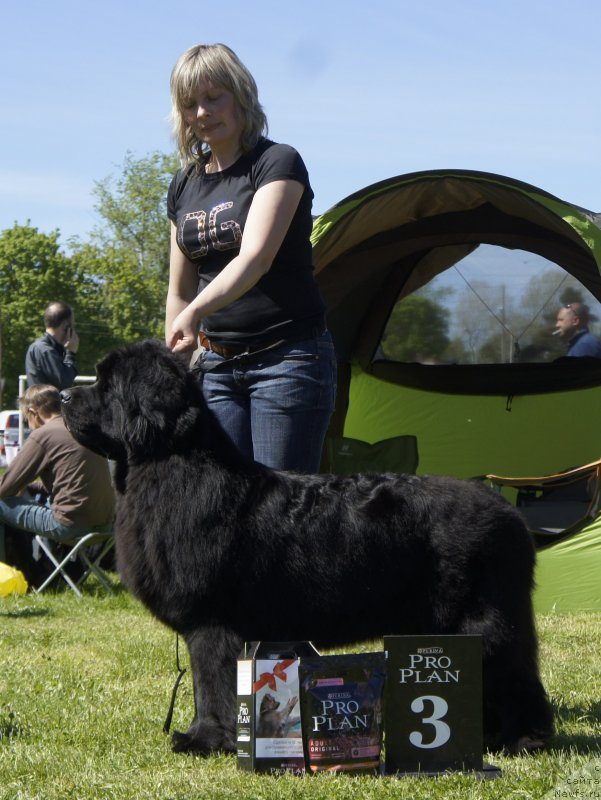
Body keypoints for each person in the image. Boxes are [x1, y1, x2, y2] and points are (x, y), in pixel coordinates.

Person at [165, 43, 336, 472]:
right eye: (190, 104)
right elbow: (179, 290)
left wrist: (195, 313)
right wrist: (173, 367)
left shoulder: (277, 162)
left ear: (240, 95)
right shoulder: (183, 185)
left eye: (213, 97)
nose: (202, 112)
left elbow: (254, 258)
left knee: (283, 519)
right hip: (217, 368)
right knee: (227, 515)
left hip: (289, 361)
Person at [0, 384, 115, 566]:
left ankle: (10, 573)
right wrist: (30, 485)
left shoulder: (43, 434)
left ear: (33, 411)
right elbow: (70, 482)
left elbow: (4, 488)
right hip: (106, 525)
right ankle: (54, 567)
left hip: (71, 527)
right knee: (40, 497)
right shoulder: (81, 428)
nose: (28, 423)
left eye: (26, 418)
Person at [25, 301, 79, 389]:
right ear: (65, 325)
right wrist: (71, 354)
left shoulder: (48, 348)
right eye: (72, 324)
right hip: (44, 402)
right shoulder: (45, 350)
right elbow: (65, 382)